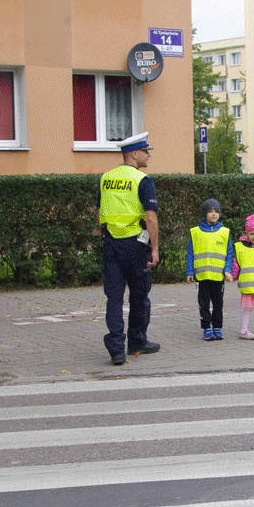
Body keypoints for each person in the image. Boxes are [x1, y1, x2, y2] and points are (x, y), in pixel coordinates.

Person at [97, 132, 160, 366]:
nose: (149, 154)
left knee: (113, 298)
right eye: (146, 151)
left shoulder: (106, 178)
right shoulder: (143, 180)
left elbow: (99, 213)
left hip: (111, 243)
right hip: (136, 244)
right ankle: (136, 341)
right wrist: (154, 248)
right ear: (134, 154)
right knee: (139, 295)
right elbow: (151, 218)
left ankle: (116, 349)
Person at [186, 199, 234, 341]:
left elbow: (229, 253)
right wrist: (189, 271)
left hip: (218, 277)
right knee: (204, 304)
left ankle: (217, 327)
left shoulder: (224, 232)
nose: (213, 214)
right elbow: (191, 253)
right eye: (210, 211)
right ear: (204, 213)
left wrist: (227, 270)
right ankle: (207, 327)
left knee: (218, 303)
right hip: (202, 276)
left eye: (216, 211)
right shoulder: (196, 232)